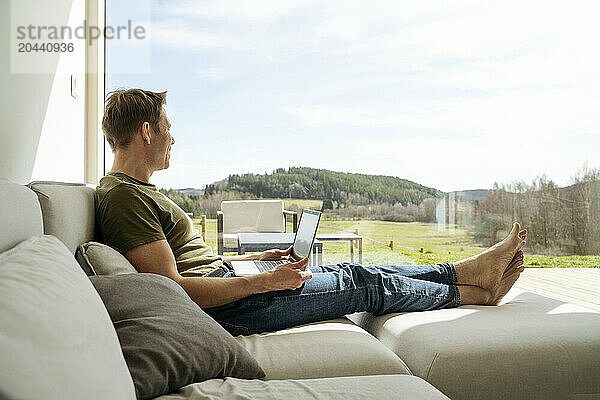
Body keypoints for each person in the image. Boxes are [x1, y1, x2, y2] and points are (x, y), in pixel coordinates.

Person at [96, 89, 528, 336]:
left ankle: (463, 269)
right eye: (168, 129)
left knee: (350, 268)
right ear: (146, 130)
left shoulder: (133, 191)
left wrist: (255, 261)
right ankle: (475, 290)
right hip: (229, 308)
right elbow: (175, 289)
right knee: (362, 282)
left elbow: (195, 264)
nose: (173, 139)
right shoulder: (123, 198)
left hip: (230, 283)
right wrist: (265, 282)